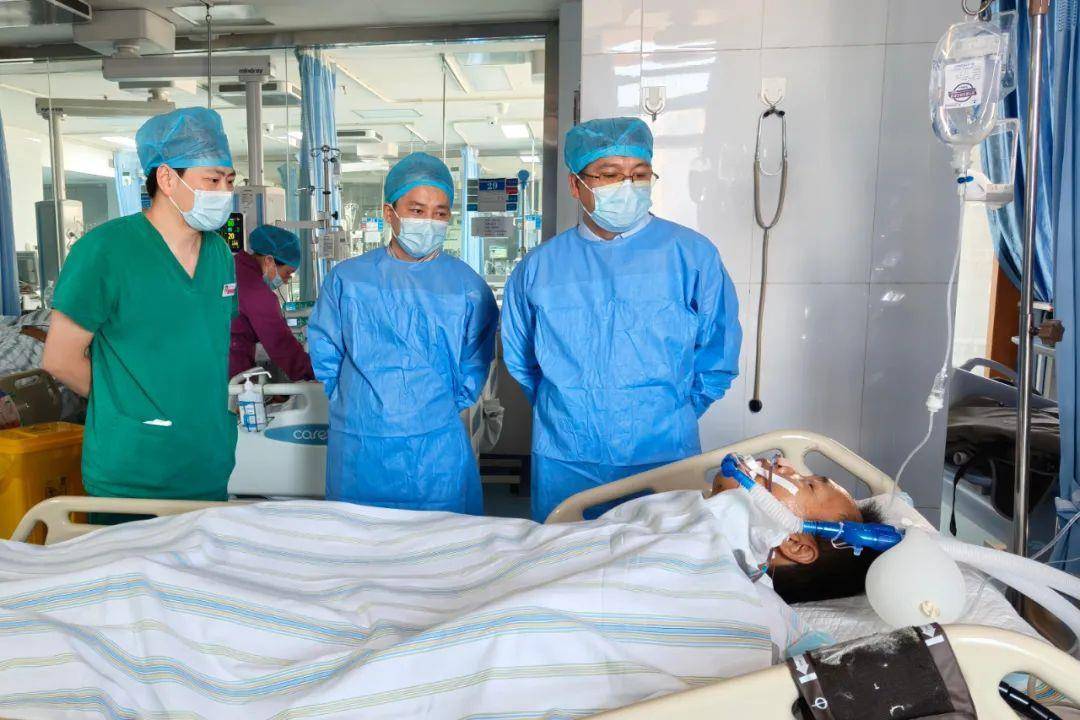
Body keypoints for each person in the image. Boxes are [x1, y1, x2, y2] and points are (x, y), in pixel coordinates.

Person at [0, 460, 892, 719]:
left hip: (510, 596)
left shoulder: (730, 603)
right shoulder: (706, 526)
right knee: (243, 534)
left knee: (154, 591)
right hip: (480, 555)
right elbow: (641, 529)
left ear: (798, 546)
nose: (788, 467)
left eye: (811, 484)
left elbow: (566, 620)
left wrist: (734, 509)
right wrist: (727, 497)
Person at [501, 117, 742, 521]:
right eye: (610, 175)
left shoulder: (692, 256)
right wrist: (568, 412)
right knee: (567, 555)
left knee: (661, 557)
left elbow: (717, 355)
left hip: (663, 454)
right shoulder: (539, 268)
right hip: (568, 456)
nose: (627, 186)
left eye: (639, 174)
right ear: (575, 184)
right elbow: (522, 361)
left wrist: (670, 413)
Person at [42, 106, 239, 502]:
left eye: (230, 181)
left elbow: (205, 347)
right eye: (212, 180)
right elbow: (60, 360)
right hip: (134, 468)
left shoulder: (219, 254)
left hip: (206, 459)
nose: (223, 193)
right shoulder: (106, 251)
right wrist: (129, 408)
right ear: (166, 178)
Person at [308, 152, 498, 514]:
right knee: (359, 538)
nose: (429, 221)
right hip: (361, 446)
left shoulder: (468, 288)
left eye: (440, 213)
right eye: (417, 210)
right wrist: (360, 406)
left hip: (435, 450)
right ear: (389, 212)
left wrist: (429, 413)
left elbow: (474, 365)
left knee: (439, 541)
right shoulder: (348, 280)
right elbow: (326, 357)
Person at [229, 225, 314, 381]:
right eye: (287, 273)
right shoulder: (256, 290)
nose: (286, 281)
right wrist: (316, 372)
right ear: (269, 260)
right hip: (228, 366)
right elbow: (280, 343)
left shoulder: (233, 267)